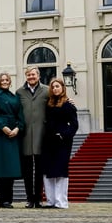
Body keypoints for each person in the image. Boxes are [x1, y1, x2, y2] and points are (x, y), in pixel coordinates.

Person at [0, 72, 25, 208]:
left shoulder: (15, 98)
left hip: (13, 135)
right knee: (1, 167)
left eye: (6, 80)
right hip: (0, 135)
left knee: (11, 168)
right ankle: (2, 199)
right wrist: (1, 126)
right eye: (2, 80)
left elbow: (21, 117)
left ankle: (8, 199)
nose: (4, 82)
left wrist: (17, 129)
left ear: (10, 82)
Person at [42, 78, 79, 209]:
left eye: (57, 86)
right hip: (48, 141)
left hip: (62, 142)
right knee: (48, 171)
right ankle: (50, 200)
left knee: (60, 170)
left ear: (63, 88)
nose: (55, 89)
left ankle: (61, 202)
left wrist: (64, 135)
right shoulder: (48, 104)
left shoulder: (68, 105)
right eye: (53, 87)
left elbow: (74, 125)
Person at [16, 66, 49, 208]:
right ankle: (30, 198)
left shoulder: (47, 90)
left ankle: (38, 199)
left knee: (40, 169)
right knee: (27, 170)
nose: (31, 77)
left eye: (33, 74)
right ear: (26, 76)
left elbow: (58, 102)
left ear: (38, 76)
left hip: (42, 135)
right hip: (25, 136)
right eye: (28, 75)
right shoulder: (19, 92)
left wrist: (69, 101)